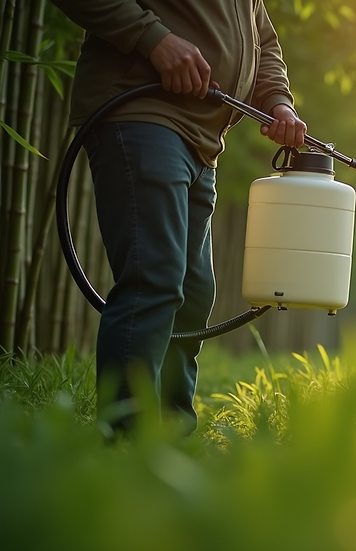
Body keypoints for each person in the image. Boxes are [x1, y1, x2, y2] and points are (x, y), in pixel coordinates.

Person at [51, 0, 307, 436]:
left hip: (203, 143)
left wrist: (278, 102)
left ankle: (171, 435)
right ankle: (127, 438)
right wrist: (154, 40)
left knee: (192, 293)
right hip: (144, 115)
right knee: (155, 277)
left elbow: (261, 38)